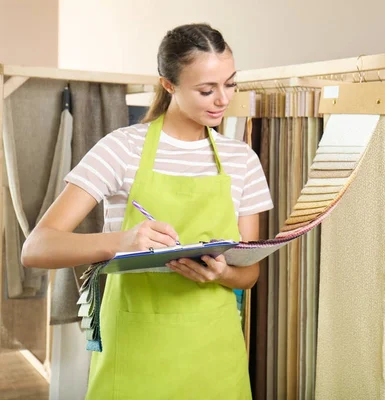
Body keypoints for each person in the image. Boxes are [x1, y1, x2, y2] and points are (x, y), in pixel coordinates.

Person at [21, 23, 273, 399]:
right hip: (135, 351)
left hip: (214, 355)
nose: (223, 99)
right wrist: (123, 240)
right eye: (206, 89)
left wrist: (221, 273)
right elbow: (36, 248)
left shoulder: (242, 160)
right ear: (168, 85)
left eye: (230, 84)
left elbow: (249, 273)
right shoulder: (121, 149)